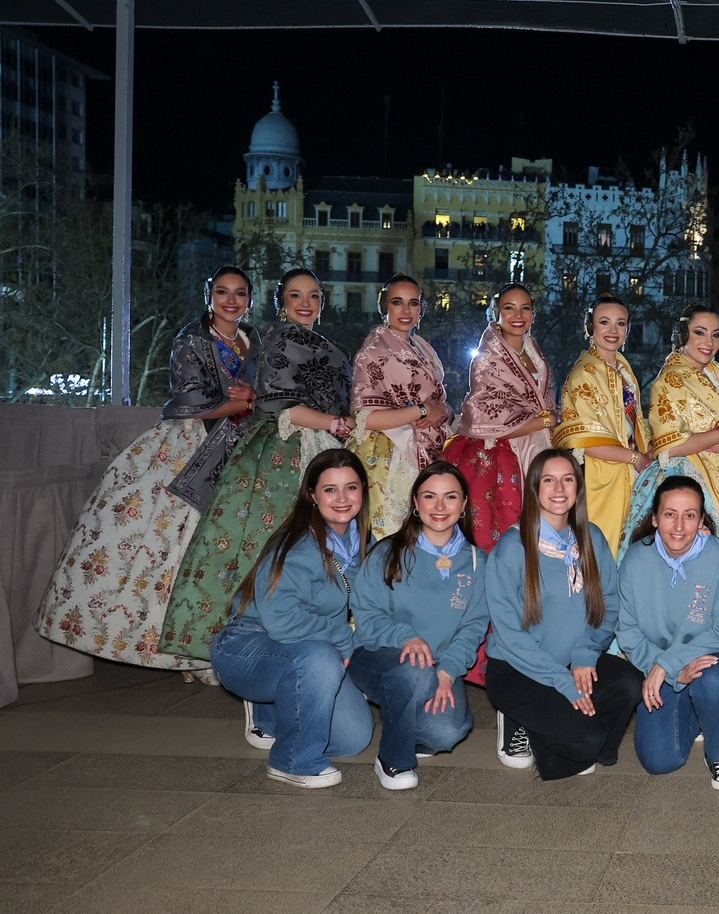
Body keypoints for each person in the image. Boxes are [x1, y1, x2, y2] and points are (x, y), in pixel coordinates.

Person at [37, 266, 260, 678]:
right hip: (191, 448)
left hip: (240, 449)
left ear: (250, 298)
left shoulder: (252, 340)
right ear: (208, 294)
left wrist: (256, 400)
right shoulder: (191, 338)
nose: (231, 301)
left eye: (240, 293)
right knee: (171, 550)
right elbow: (191, 403)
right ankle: (176, 652)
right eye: (222, 291)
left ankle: (211, 651)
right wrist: (249, 404)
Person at [161, 268, 354, 662]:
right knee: (266, 548)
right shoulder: (279, 339)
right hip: (284, 448)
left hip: (323, 443)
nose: (305, 303)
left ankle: (313, 637)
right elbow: (280, 405)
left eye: (314, 296)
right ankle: (246, 644)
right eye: (296, 295)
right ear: (280, 300)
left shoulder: (287, 341)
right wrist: (333, 423)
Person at [621, 304, 719, 691]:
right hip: (686, 476)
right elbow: (666, 445)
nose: (709, 342)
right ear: (684, 334)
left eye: (716, 335)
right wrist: (717, 437)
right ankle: (672, 661)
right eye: (701, 333)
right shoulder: (669, 379)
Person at [209, 448, 374, 788]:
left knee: (353, 739)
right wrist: (343, 639)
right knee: (320, 658)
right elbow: (282, 621)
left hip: (306, 647)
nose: (342, 499)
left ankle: (274, 706)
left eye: (351, 487)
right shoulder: (299, 545)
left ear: (363, 491)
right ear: (312, 495)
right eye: (330, 489)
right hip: (248, 645)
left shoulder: (361, 543)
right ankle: (294, 760)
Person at [481, 448, 643, 780]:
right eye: (548, 480)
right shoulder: (512, 548)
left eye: (567, 479)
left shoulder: (591, 537)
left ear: (578, 487)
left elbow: (609, 604)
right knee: (588, 740)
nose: (559, 488)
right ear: (534, 488)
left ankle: (568, 725)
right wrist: (562, 682)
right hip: (520, 668)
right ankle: (519, 717)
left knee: (630, 684)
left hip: (573, 662)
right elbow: (509, 636)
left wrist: (586, 652)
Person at [348, 462, 489, 790]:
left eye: (450, 497)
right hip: (378, 656)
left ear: (464, 504)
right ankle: (393, 760)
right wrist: (406, 636)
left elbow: (473, 627)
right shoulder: (387, 553)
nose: (440, 506)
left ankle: (404, 708)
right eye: (429, 496)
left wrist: (448, 672)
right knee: (414, 671)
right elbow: (367, 617)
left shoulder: (477, 562)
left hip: (437, 667)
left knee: (446, 733)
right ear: (415, 502)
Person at [617, 477, 719, 790]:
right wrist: (672, 672)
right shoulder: (634, 560)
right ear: (654, 518)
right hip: (660, 661)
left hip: (715, 652)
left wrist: (667, 665)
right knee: (660, 761)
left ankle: (717, 752)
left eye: (689, 515)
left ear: (701, 520)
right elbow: (628, 633)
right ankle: (695, 708)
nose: (679, 526)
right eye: (669, 514)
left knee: (712, 681)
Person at [443, 283, 556, 550]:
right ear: (496, 313)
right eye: (509, 308)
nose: (518, 315)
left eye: (525, 308)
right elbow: (485, 416)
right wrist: (545, 421)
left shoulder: (533, 350)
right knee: (510, 531)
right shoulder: (487, 358)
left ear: (533, 314)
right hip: (503, 449)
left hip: (539, 445)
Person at [349, 273, 452, 539]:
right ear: (384, 305)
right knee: (398, 534)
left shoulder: (421, 346)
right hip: (390, 450)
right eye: (397, 302)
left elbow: (438, 401)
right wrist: (422, 411)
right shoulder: (373, 351)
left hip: (433, 443)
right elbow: (366, 418)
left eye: (413, 303)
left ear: (422, 308)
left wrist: (444, 411)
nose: (406, 310)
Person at [554, 294, 651, 557]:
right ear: (590, 326)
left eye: (620, 323)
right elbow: (583, 440)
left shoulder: (622, 369)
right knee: (600, 550)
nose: (613, 330)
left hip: (628, 472)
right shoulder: (584, 373)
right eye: (604, 322)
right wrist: (635, 458)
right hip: (600, 475)